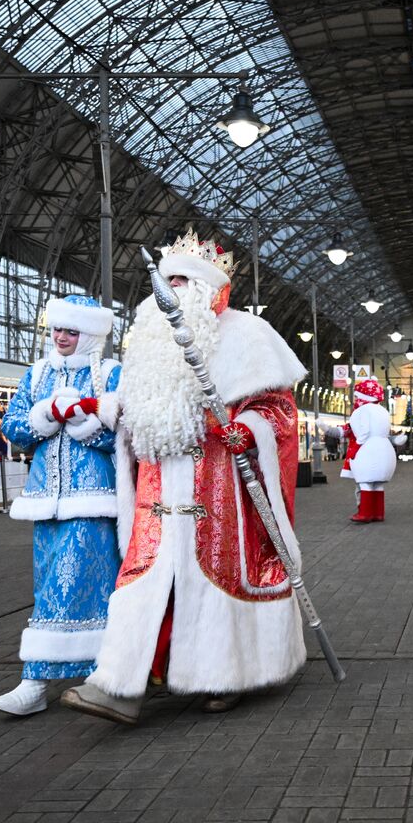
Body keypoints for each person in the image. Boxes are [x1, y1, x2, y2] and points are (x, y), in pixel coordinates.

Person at [60, 231, 307, 724]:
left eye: (182, 279)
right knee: (148, 582)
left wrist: (247, 427)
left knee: (213, 580)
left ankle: (228, 676)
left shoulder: (248, 336)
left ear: (209, 288)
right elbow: (135, 409)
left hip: (220, 493)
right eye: (166, 279)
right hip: (158, 490)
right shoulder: (149, 341)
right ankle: (120, 684)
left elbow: (278, 411)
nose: (171, 287)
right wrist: (110, 412)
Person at [0, 295, 121, 716]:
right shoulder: (37, 374)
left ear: (90, 335)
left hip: (94, 501)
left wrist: (88, 426)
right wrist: (43, 414)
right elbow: (12, 429)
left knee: (77, 586)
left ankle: (37, 680)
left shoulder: (110, 375)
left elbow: (130, 439)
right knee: (49, 582)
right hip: (44, 501)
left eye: (71, 331)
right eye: (57, 330)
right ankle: (94, 673)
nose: (62, 337)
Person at [347, 378, 396, 522]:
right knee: (378, 484)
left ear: (362, 396)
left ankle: (365, 513)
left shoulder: (362, 410)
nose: (355, 399)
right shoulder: (383, 411)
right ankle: (378, 513)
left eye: (356, 396)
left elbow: (364, 431)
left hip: (368, 450)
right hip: (385, 449)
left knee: (365, 482)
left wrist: (357, 446)